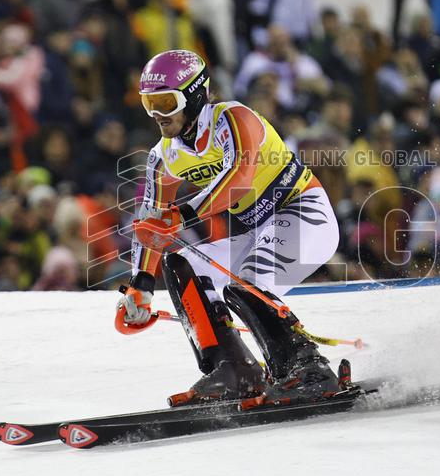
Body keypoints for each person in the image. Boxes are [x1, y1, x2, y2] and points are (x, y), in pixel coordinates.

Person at [117, 49, 341, 407]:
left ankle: (308, 370)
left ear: (193, 95)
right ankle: (233, 370)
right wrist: (140, 287)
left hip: (303, 213)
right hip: (256, 230)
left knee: (247, 283)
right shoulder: (163, 155)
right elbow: (150, 220)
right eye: (149, 104)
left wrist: (183, 215)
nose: (157, 115)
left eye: (165, 102)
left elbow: (239, 179)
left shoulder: (233, 118)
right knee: (183, 266)